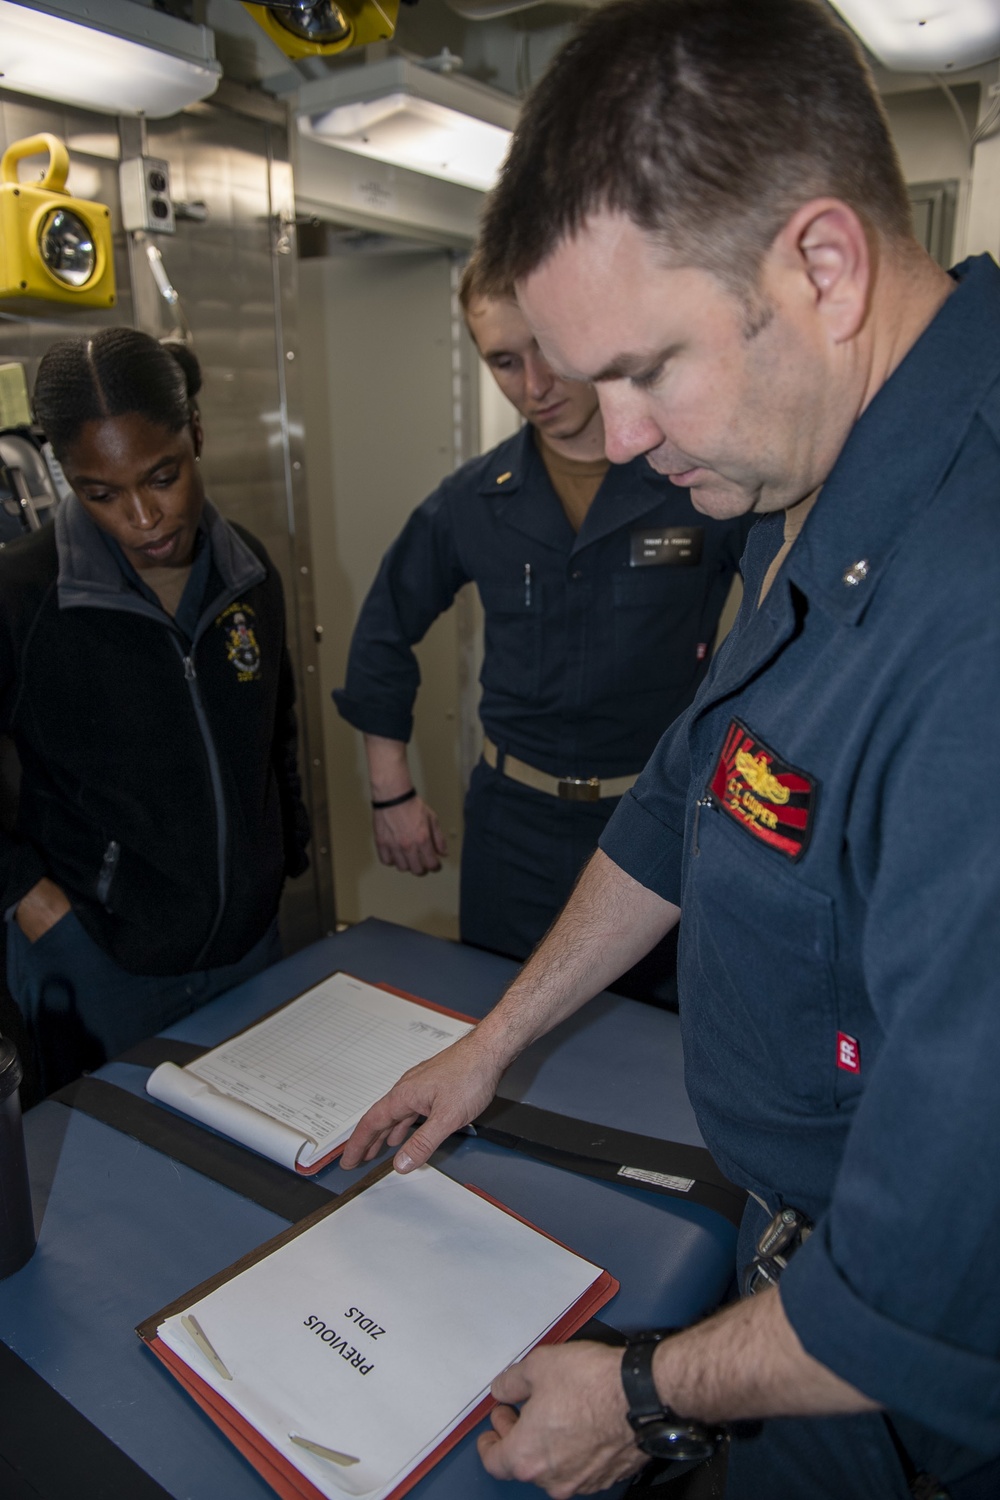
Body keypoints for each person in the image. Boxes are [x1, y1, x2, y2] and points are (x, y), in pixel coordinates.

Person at [339, 1, 1000, 1496]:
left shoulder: (974, 626)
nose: (618, 439)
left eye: (644, 370)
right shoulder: (804, 477)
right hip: (788, 1274)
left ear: (823, 266)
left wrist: (641, 1395)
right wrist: (494, 1042)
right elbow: (693, 794)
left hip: (895, 1403)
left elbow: (937, 1293)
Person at [333, 255, 751, 1005]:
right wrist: (389, 789)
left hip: (652, 825)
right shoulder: (472, 500)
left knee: (644, 1054)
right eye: (503, 360)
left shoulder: (691, 478)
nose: (535, 386)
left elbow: (788, 624)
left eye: (549, 353)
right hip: (511, 831)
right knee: (493, 1038)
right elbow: (383, 629)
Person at [0, 329, 309, 1095]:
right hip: (98, 963)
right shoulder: (22, 596)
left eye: (162, 476)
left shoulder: (247, 570)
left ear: (195, 435)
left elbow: (275, 732)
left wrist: (278, 857)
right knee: (116, 1194)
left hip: (247, 945)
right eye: (100, 493)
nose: (142, 517)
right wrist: (26, 898)